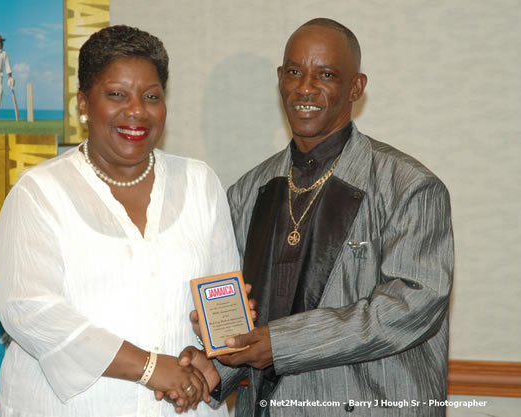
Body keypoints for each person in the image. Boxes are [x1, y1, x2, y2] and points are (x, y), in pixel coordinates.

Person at [179, 17, 455, 417]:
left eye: (325, 74)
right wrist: (215, 368)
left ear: (355, 87)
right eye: (294, 72)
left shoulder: (409, 187)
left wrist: (283, 343)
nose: (305, 87)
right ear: (280, 79)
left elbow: (409, 308)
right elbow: (241, 316)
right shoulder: (247, 192)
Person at [0, 25, 240, 416]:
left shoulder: (200, 183)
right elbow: (31, 312)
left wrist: (212, 355)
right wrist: (151, 367)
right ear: (84, 104)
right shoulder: (38, 193)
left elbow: (222, 300)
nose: (137, 110)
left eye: (151, 96)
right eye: (116, 95)